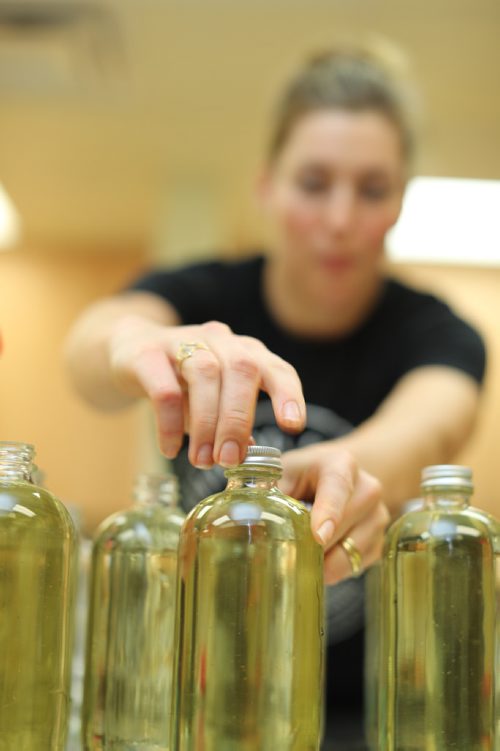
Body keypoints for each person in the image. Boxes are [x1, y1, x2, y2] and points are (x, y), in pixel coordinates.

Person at [65, 44, 485, 732]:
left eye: (372, 189)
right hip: (201, 703)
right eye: (314, 182)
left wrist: (355, 467)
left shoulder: (436, 331)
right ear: (267, 185)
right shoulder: (200, 293)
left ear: (400, 202)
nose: (341, 218)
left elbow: (433, 422)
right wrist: (132, 346)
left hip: (362, 713)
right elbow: (92, 345)